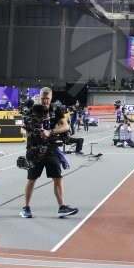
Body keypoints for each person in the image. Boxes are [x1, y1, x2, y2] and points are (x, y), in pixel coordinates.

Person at [20, 87, 79, 219]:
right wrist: (28, 133)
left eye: (47, 98)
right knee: (32, 179)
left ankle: (62, 207)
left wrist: (50, 132)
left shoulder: (56, 109)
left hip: (51, 148)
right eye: (43, 98)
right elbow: (22, 129)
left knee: (58, 178)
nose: (45, 101)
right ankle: (26, 208)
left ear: (51, 97)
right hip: (34, 149)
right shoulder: (32, 110)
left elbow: (65, 126)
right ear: (39, 97)